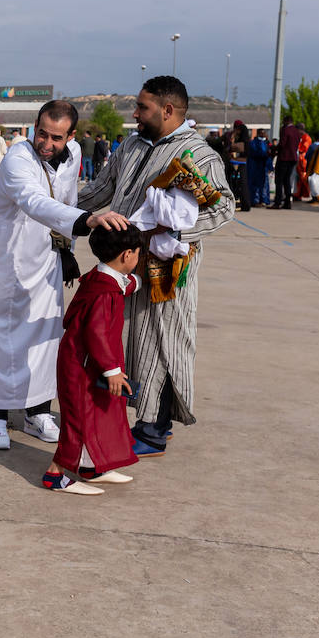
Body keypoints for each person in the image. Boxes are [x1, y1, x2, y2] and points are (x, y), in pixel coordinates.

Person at [77, 75, 234, 457]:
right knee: (125, 343)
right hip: (125, 267)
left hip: (168, 273)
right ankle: (127, 419)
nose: (135, 114)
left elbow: (224, 207)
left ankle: (153, 431)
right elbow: (101, 190)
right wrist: (59, 212)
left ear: (168, 110)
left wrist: (173, 229)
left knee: (163, 346)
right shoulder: (131, 145)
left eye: (143, 107)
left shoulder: (198, 155)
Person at [0, 100, 128, 450]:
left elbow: (66, 198)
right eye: (42, 134)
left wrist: (66, 249)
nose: (47, 143)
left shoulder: (72, 156)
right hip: (1, 262)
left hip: (44, 261)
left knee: (45, 337)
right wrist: (86, 220)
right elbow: (33, 200)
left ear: (70, 135)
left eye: (56, 137)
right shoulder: (17, 159)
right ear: (34, 127)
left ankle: (37, 412)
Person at [42, 222, 143, 494]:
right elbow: (96, 332)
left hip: (88, 364)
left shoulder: (102, 280)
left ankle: (90, 466)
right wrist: (112, 370)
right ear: (126, 256)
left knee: (96, 414)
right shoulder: (104, 293)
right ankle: (56, 474)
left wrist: (136, 280)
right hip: (83, 366)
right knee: (78, 419)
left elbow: (124, 284)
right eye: (137, 254)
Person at [272, 115, 299, 209]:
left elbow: (282, 144)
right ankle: (287, 202)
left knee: (279, 181)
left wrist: (274, 149)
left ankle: (277, 202)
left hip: (284, 158)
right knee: (287, 181)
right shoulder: (296, 131)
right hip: (293, 159)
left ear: (286, 121)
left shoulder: (285, 130)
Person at [247, 127, 270, 206]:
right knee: (255, 184)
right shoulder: (253, 142)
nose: (263, 134)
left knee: (264, 184)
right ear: (259, 133)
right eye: (262, 133)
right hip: (255, 166)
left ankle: (264, 199)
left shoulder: (266, 142)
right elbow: (255, 153)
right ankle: (255, 200)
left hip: (263, 166)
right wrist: (266, 154)